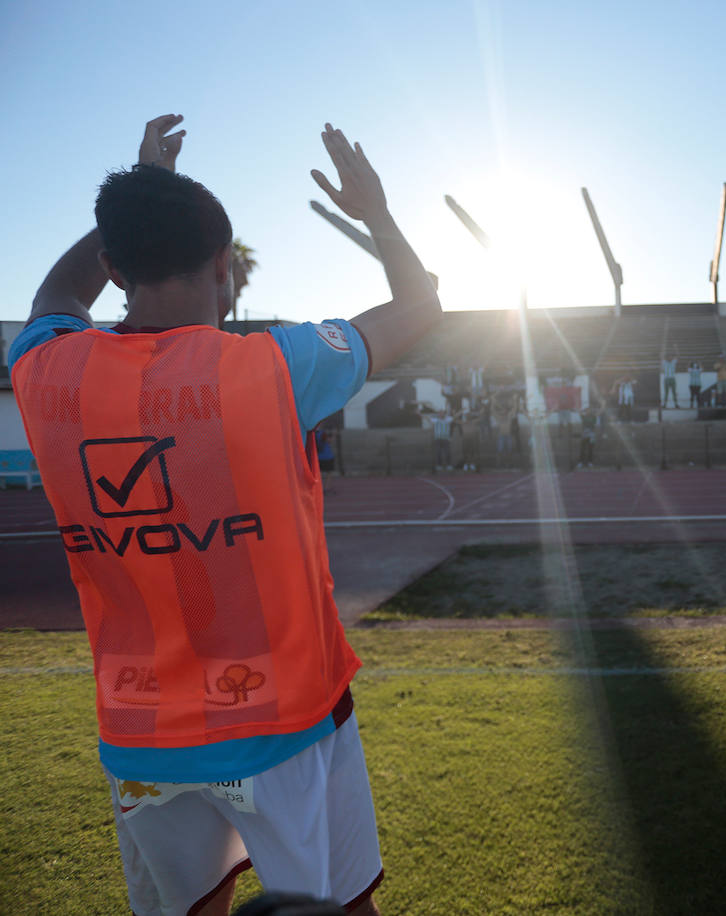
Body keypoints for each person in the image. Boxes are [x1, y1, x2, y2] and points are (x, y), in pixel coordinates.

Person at [8, 116, 441, 916]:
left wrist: (134, 203)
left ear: (113, 263)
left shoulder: (46, 375)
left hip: (140, 735)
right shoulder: (273, 368)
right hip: (285, 725)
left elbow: (53, 296)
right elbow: (420, 304)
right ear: (223, 265)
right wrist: (374, 210)